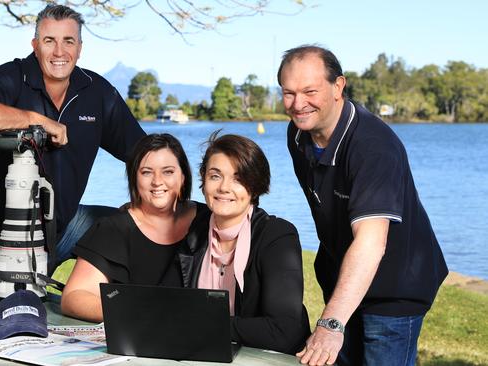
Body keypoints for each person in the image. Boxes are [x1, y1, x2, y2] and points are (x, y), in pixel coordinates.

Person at [278, 45, 448, 366]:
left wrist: (330, 324)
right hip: (345, 277)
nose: (298, 104)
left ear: (338, 86)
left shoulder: (373, 146)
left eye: (310, 91)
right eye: (289, 93)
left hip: (394, 288)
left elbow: (370, 242)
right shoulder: (298, 134)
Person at [0, 4, 145, 277]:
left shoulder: (97, 92)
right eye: (49, 40)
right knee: (15, 318)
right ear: (35, 44)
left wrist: (145, 205)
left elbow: (146, 153)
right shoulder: (12, 78)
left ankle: (124, 309)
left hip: (67, 228)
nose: (59, 52)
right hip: (7, 241)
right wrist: (36, 119)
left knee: (139, 229)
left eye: (68, 41)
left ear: (79, 47)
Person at [177, 133, 310, 353]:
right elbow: (168, 306)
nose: (224, 188)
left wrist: (205, 325)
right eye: (215, 176)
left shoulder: (277, 236)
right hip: (206, 354)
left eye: (238, 179)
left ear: (255, 187)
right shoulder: (193, 232)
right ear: (203, 181)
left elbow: (284, 330)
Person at [61, 133, 210, 322]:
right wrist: (137, 315)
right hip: (139, 337)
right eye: (147, 172)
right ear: (134, 178)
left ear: (183, 177)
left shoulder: (209, 220)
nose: (157, 181)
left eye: (168, 171)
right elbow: (74, 297)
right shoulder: (114, 229)